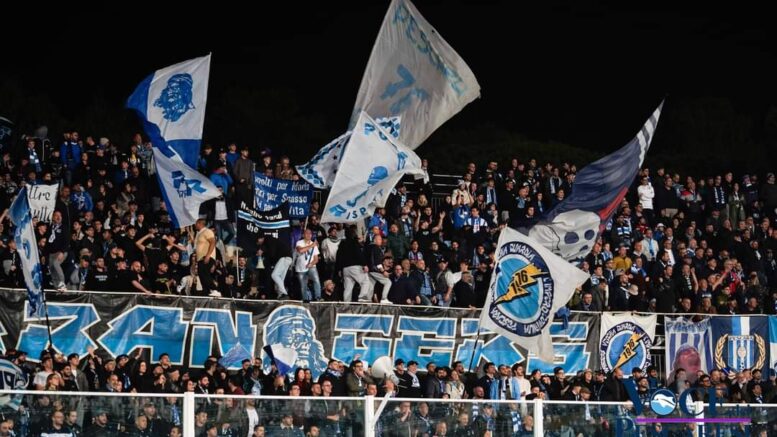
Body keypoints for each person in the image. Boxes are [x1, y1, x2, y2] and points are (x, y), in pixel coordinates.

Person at [194, 219, 218, 296]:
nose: (195, 225)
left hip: (206, 257)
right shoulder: (199, 233)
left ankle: (214, 289)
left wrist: (208, 255)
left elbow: (213, 242)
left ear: (199, 223)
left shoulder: (207, 231)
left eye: (196, 223)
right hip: (200, 259)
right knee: (201, 276)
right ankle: (207, 293)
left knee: (204, 275)